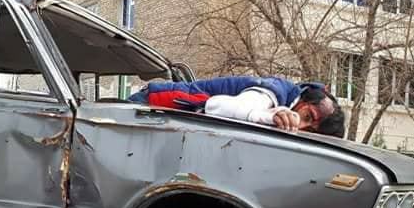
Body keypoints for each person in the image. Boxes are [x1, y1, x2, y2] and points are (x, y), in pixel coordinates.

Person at [129, 75, 345, 137]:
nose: (300, 127)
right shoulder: (273, 92)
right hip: (151, 106)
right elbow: (216, 107)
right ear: (303, 101)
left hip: (169, 122)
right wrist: (268, 116)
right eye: (307, 116)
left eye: (311, 131)